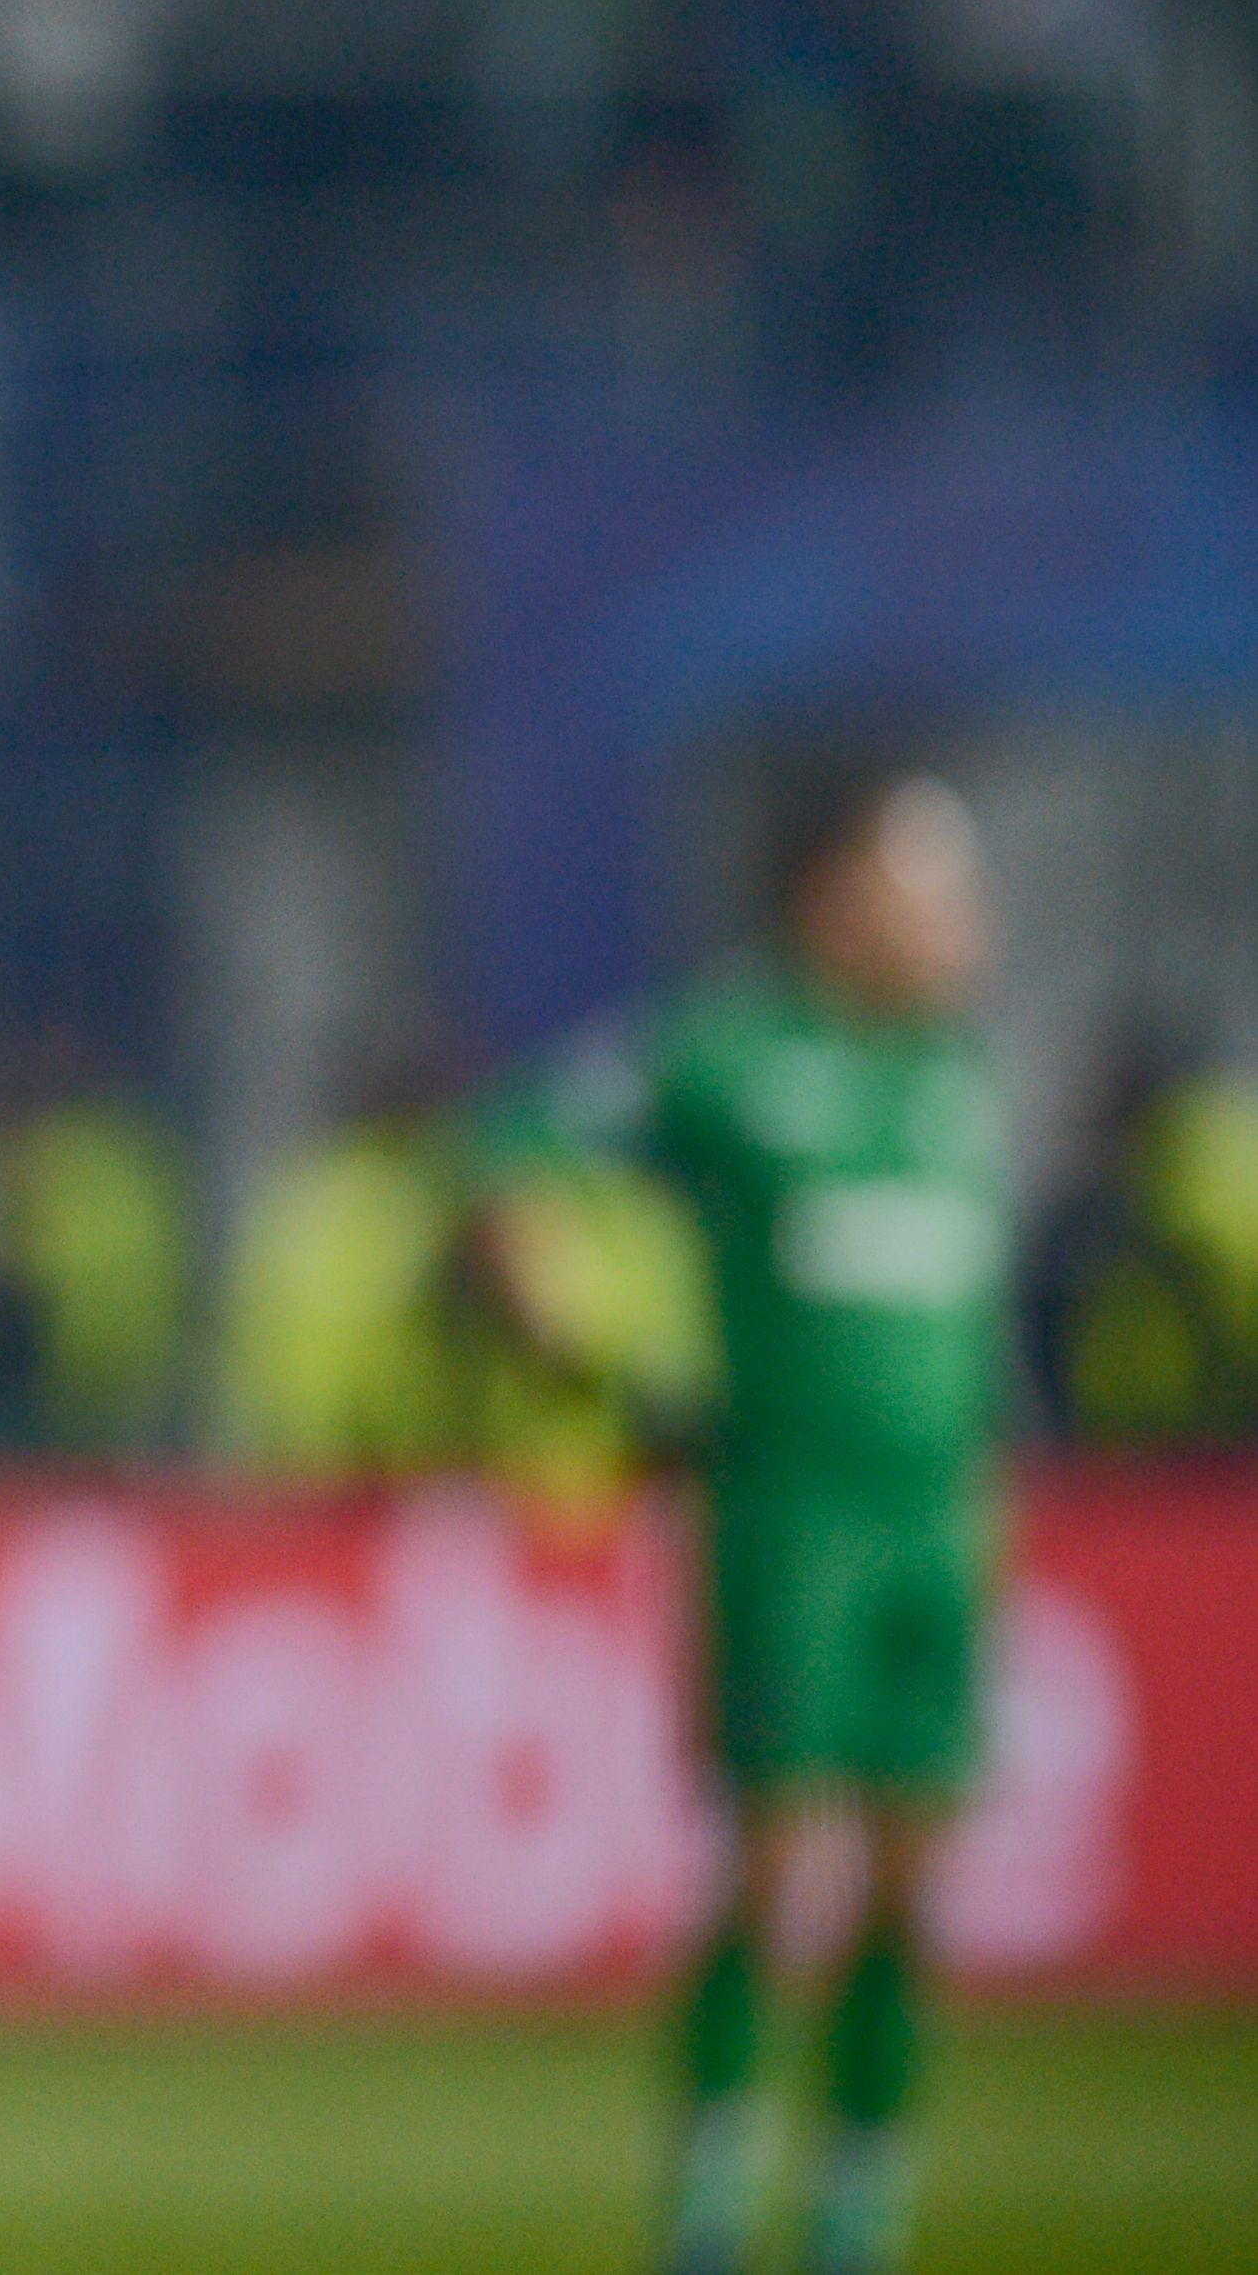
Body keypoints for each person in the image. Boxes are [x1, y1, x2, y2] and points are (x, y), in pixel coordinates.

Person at [473, 766, 1007, 2275]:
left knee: (913, 1873)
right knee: (773, 1856)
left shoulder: (959, 1080)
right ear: (835, 898)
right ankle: (712, 2191)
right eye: (929, 894)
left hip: (939, 1522)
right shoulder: (729, 1053)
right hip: (791, 1516)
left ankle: (860, 2199)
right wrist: (563, 1322)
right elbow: (516, 1139)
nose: (960, 927)